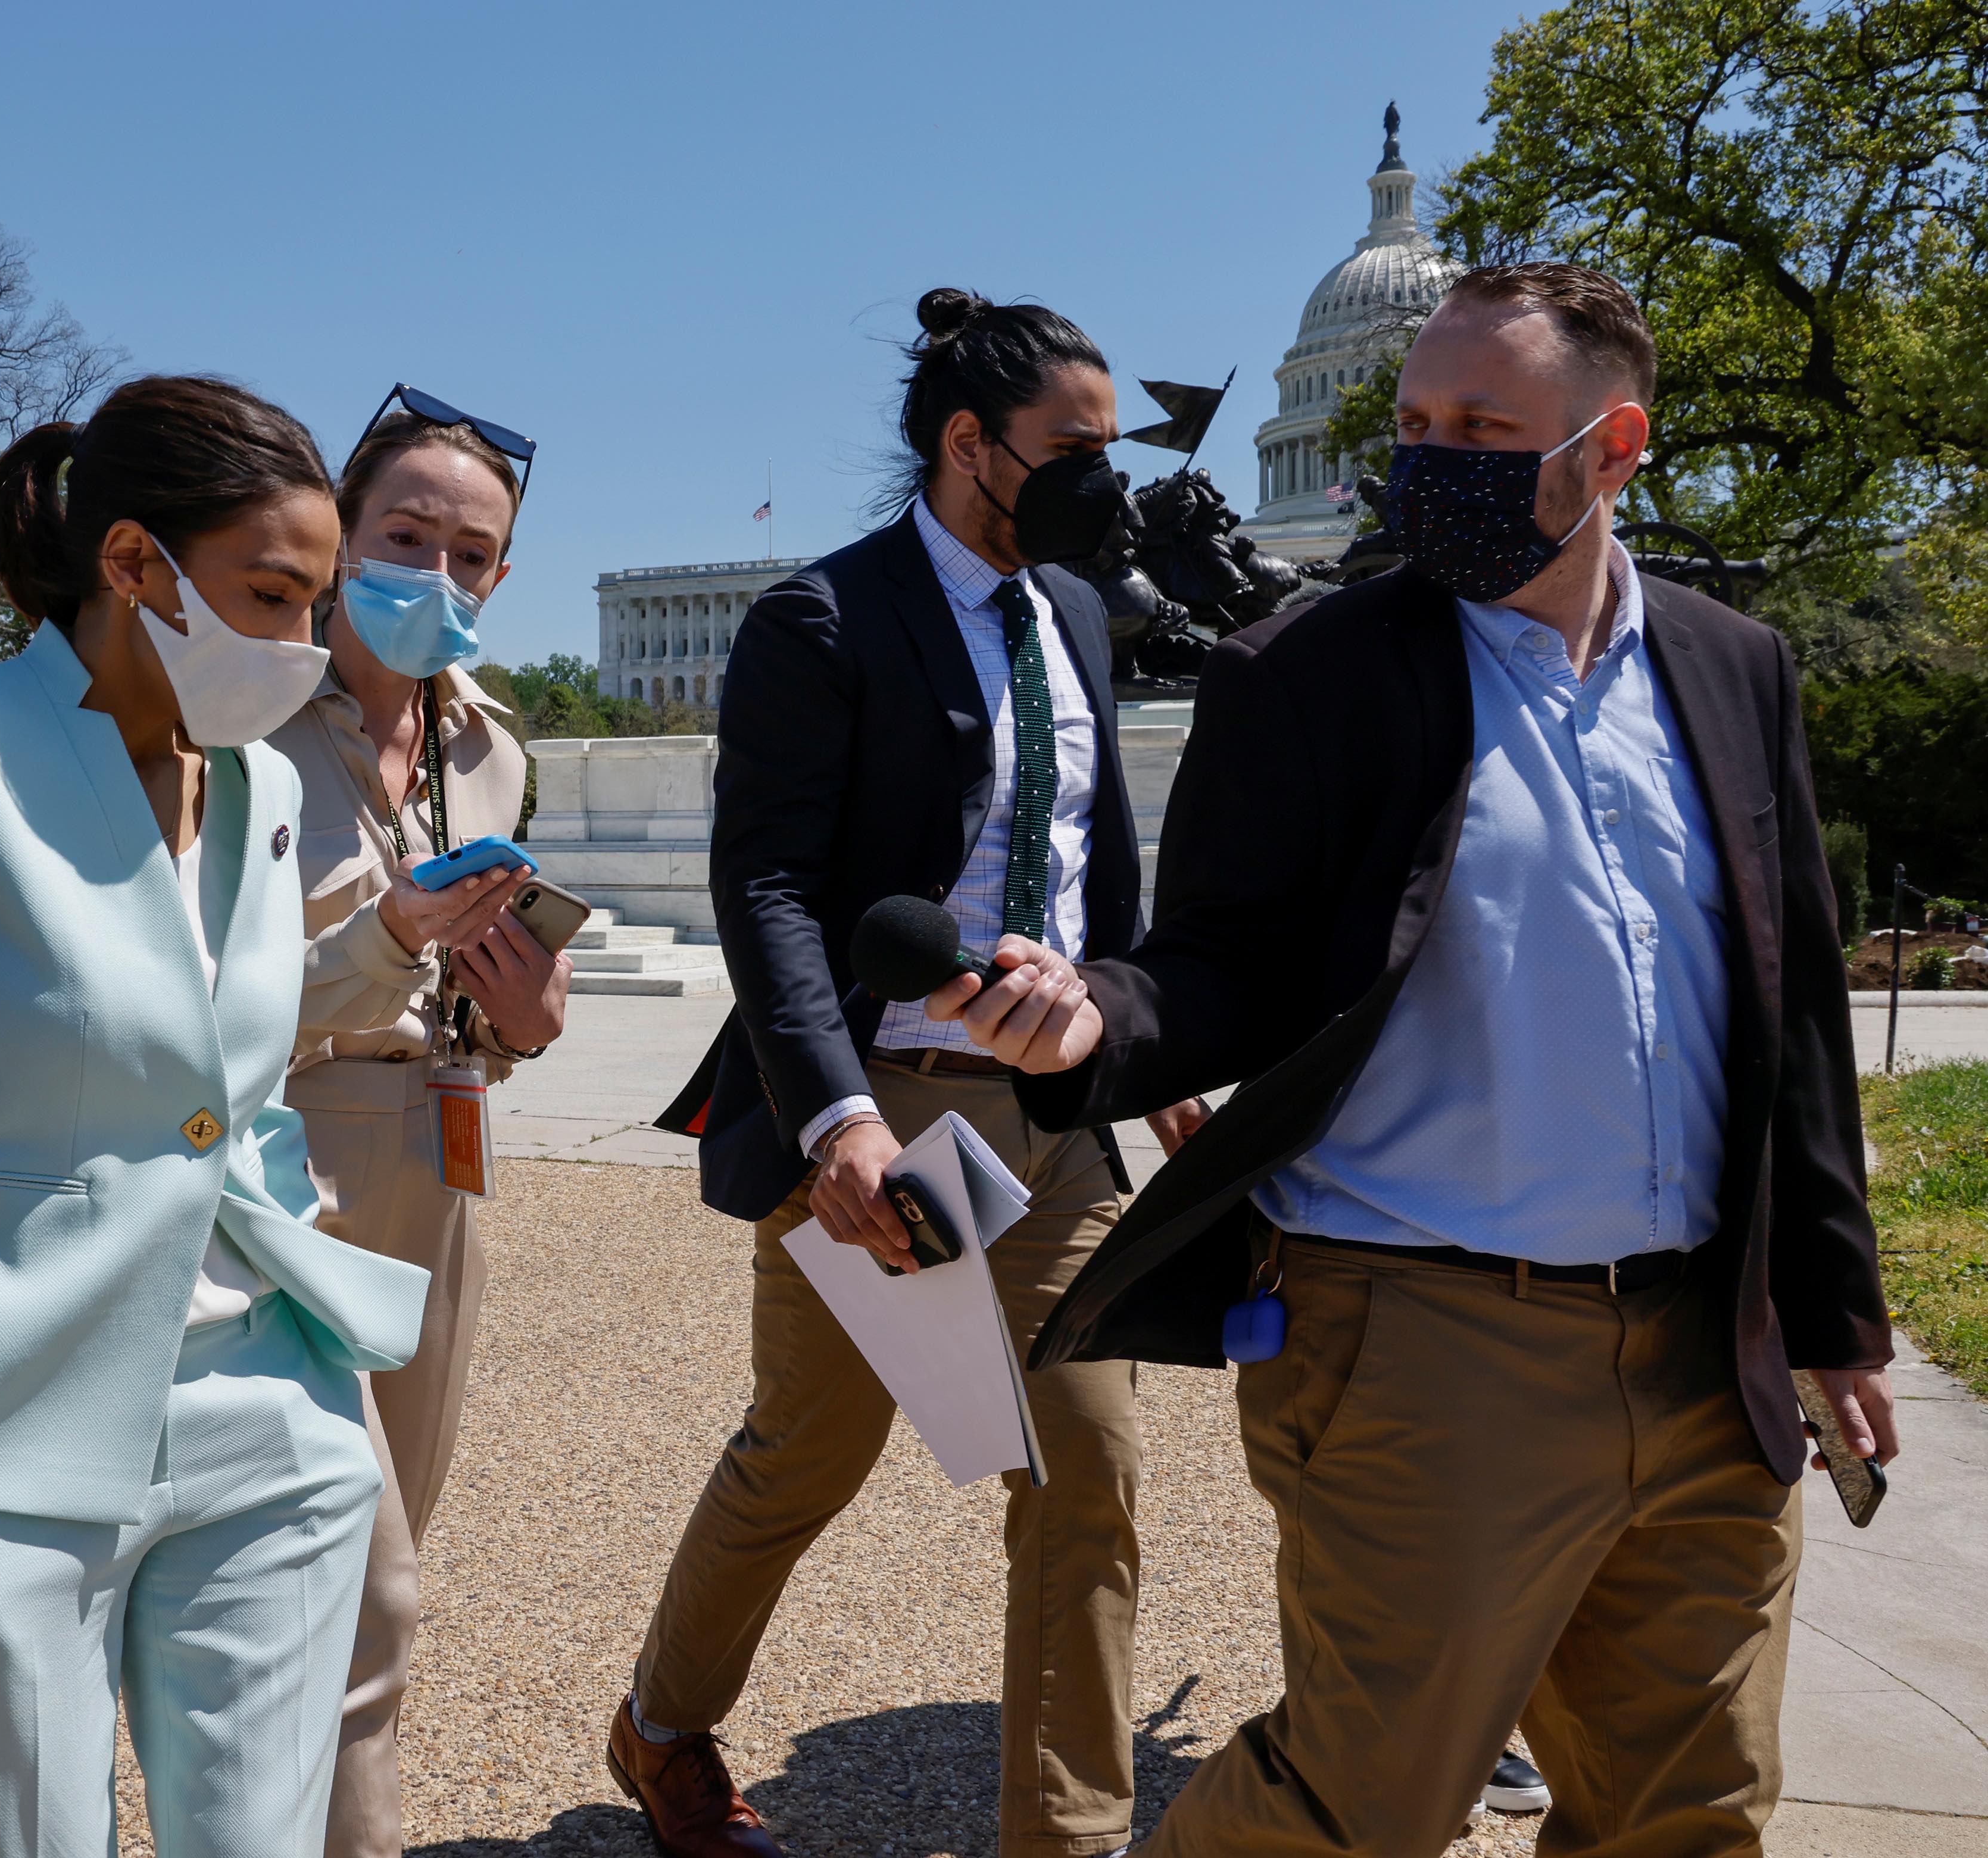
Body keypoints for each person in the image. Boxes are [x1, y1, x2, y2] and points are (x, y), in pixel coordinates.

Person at [935, 264, 1897, 1855]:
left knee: (1692, 1810)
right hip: (1425, 1336)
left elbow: (1789, 1006)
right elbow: (1223, 961)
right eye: (1414, 425)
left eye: (1483, 429)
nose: (1431, 461)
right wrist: (1096, 1014)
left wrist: (1836, 1311)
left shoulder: (1735, 666)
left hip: (1702, 1337)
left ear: (1614, 445)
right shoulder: (1307, 671)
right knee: (1363, 1804)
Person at [0, 373, 528, 1858]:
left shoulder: (250, 778)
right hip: (2, 1415)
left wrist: (393, 944)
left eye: (315, 602)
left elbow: (227, 1066)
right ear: (132, 562)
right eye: (272, 594)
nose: (301, 641)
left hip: (275, 1413)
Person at [630, 288, 1203, 1858]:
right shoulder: (821, 618)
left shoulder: (1074, 609)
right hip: (883, 1112)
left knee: (1085, 1467)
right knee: (807, 1455)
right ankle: (661, 1725)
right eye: (1072, 450)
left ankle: (1066, 1839)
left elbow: (1088, 866)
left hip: (1056, 1112)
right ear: (969, 443)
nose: (1105, 479)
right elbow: (765, 887)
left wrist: (1149, 1042)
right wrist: (835, 1119)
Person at [268, 387, 570, 1857]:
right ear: (337, 534)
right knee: (364, 1589)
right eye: (404, 537)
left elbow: (470, 985)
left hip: (438, 1167)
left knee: (351, 1577)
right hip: (277, 1161)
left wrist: (522, 1018)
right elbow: (189, 997)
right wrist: (385, 935)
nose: (436, 575)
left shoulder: (493, 748)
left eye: (471, 555)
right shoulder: (238, 723)